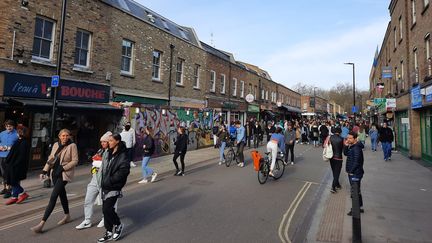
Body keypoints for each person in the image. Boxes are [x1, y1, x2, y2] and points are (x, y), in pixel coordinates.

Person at [31, 129, 78, 233]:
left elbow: (75, 161)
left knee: (53, 196)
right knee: (62, 195)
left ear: (69, 136)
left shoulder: (72, 146)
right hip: (55, 173)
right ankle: (67, 216)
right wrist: (44, 171)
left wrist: (64, 167)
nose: (65, 137)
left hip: (64, 174)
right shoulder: (56, 145)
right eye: (63, 136)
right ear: (59, 136)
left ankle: (41, 224)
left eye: (67, 135)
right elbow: (51, 158)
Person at [97, 133, 130, 242]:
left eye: (111, 141)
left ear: (117, 141)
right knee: (105, 210)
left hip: (114, 186)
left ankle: (118, 224)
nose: (108, 143)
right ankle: (109, 231)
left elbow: (123, 172)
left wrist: (109, 181)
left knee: (107, 208)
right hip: (105, 185)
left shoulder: (123, 155)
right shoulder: (109, 152)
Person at [76, 131, 112, 230]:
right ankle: (87, 220)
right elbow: (95, 162)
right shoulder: (100, 150)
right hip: (95, 179)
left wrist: (100, 163)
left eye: (105, 142)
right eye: (102, 142)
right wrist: (94, 162)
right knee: (88, 199)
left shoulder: (112, 152)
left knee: (106, 202)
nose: (103, 143)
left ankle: (105, 218)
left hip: (105, 180)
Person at [4, 126, 29, 205]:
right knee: (12, 180)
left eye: (18, 132)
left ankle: (22, 193)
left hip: (17, 165)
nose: (17, 133)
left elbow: (22, 156)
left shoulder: (24, 142)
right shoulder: (18, 140)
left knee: (13, 181)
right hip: (13, 164)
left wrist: (14, 164)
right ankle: (14, 197)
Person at [344, 131, 365, 216]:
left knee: (354, 192)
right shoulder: (352, 146)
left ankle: (355, 210)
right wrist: (345, 146)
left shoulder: (356, 148)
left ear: (355, 139)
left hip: (355, 173)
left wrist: (351, 171)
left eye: (350, 138)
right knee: (357, 190)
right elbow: (345, 153)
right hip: (355, 172)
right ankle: (359, 207)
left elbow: (357, 162)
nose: (348, 140)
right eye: (347, 138)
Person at [0, 120, 18, 199]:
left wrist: (11, 148)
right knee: (2, 173)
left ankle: (9, 189)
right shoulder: (1, 133)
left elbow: (19, 145)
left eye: (10, 126)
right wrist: (0, 147)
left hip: (11, 156)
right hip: (2, 155)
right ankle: (4, 188)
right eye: (7, 126)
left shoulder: (17, 134)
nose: (8, 127)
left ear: (13, 126)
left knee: (8, 173)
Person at [329, 127, 344, 193]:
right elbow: (344, 150)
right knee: (337, 173)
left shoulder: (330, 137)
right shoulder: (341, 139)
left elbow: (325, 145)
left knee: (334, 172)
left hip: (331, 157)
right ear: (340, 132)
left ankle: (337, 184)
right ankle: (333, 187)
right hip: (338, 158)